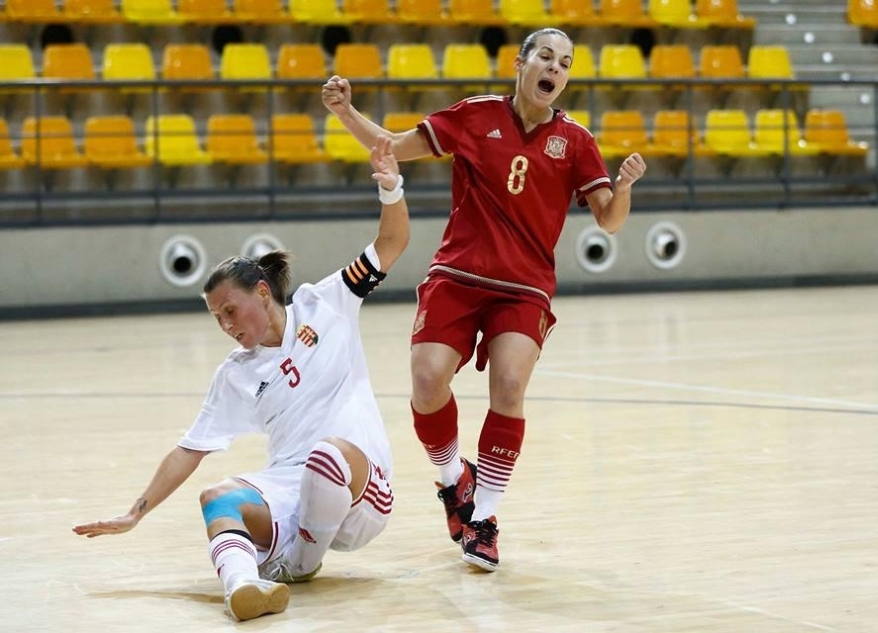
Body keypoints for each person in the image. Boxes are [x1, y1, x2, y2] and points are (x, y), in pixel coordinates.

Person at [322, 28, 647, 572]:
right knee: (427, 379)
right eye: (546, 56)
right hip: (458, 273)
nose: (555, 68)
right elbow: (395, 145)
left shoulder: (577, 141)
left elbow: (610, 221)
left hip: (525, 286)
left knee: (511, 384)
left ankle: (485, 518)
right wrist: (345, 113)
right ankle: (454, 481)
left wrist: (627, 185)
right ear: (521, 63)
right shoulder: (475, 115)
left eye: (565, 63)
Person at [73, 137, 410, 621]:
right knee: (217, 497)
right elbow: (190, 449)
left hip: (362, 492)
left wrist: (392, 189)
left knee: (326, 455)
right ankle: (242, 588)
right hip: (294, 490)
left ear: (261, 291)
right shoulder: (236, 374)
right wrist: (135, 513)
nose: (227, 324)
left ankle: (297, 564)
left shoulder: (326, 302)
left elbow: (392, 242)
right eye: (217, 318)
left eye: (230, 310)